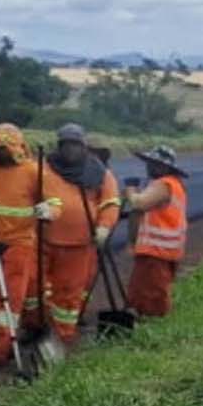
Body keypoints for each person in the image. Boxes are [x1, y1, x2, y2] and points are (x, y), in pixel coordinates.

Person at [0, 122, 70, 372]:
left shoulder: (34, 171)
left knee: (6, 302)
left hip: (18, 245)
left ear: (13, 148)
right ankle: (5, 343)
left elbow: (56, 204)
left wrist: (48, 211)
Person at [42, 123, 120, 347]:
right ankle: (39, 327)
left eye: (75, 145)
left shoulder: (100, 173)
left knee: (68, 293)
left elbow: (111, 203)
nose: (70, 150)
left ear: (84, 146)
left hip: (78, 245)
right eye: (65, 145)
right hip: (44, 241)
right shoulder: (44, 168)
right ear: (59, 146)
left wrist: (104, 226)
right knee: (38, 290)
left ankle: (62, 337)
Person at [121, 144, 190, 318]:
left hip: (156, 252)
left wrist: (130, 190)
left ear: (166, 167)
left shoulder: (165, 184)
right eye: (150, 163)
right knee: (142, 291)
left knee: (151, 296)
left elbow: (139, 204)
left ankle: (152, 325)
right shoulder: (174, 185)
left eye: (155, 164)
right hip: (165, 250)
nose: (150, 167)